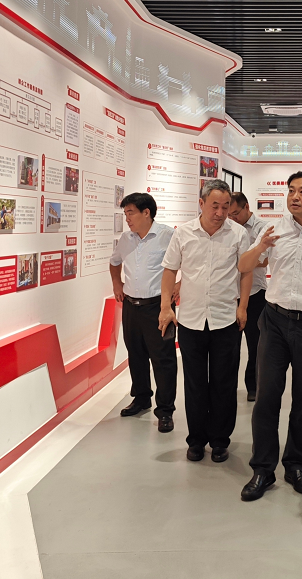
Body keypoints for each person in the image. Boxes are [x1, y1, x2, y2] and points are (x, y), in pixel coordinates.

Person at [238, 172, 302, 502]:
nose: (295, 197)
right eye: (292, 190)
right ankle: (262, 469)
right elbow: (244, 265)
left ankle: (295, 465)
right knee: (266, 397)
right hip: (275, 321)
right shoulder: (273, 229)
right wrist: (261, 247)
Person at [159, 179, 253, 463]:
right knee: (195, 383)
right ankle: (197, 440)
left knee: (224, 383)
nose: (220, 213)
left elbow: (246, 272)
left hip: (226, 319)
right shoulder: (184, 233)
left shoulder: (238, 234)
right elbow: (169, 270)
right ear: (201, 204)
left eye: (225, 207)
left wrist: (243, 307)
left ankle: (221, 440)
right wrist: (165, 307)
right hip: (191, 320)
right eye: (214, 206)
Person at [109, 193, 178, 432]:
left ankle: (165, 410)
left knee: (163, 360)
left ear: (146, 212)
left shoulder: (168, 236)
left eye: (130, 213)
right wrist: (116, 284)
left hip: (159, 307)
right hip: (131, 306)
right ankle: (141, 398)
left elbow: (190, 264)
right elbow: (114, 262)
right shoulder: (125, 238)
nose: (127, 218)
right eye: (125, 213)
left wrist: (178, 287)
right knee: (136, 354)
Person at [229, 192, 268, 402]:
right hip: (231, 294)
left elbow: (264, 260)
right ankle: (228, 387)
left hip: (255, 293)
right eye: (229, 214)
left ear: (246, 207)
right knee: (229, 346)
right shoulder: (227, 227)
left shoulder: (262, 228)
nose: (232, 218)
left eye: (235, 213)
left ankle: (253, 386)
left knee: (256, 344)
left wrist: (241, 261)